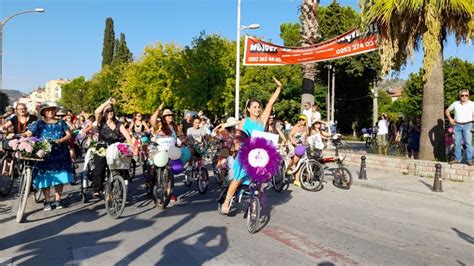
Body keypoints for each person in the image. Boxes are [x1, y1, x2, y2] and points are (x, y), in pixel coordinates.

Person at [220, 77, 282, 215]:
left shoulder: (262, 121)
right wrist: (237, 145)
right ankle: (227, 201)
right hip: (245, 154)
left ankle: (254, 204)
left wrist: (279, 88)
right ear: (248, 109)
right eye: (254, 107)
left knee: (260, 182)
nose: (258, 109)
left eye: (259, 107)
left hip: (259, 155)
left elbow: (270, 103)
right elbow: (238, 136)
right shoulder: (244, 122)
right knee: (239, 178)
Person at [24, 101, 73, 211]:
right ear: (44, 112)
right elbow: (29, 133)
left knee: (60, 176)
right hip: (44, 153)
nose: (50, 111)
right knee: (44, 176)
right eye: (47, 110)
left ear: (55, 111)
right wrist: (19, 135)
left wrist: (60, 140)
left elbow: (69, 134)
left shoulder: (61, 122)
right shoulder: (39, 123)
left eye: (52, 109)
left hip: (60, 152)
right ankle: (47, 200)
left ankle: (58, 199)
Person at [92, 98, 132, 198]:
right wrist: (107, 103)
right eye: (107, 111)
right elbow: (97, 112)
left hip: (115, 148)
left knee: (119, 167)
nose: (110, 112)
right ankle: (97, 189)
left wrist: (131, 147)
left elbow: (127, 136)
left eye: (111, 110)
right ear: (104, 113)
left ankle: (118, 186)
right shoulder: (101, 121)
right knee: (99, 169)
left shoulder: (119, 124)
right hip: (102, 147)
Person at [445, 89, 473, 165]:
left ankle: (470, 160)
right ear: (459, 96)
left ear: (468, 96)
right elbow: (447, 110)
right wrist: (450, 119)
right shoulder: (455, 103)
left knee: (468, 143)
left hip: (468, 125)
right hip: (457, 125)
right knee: (457, 143)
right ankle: (457, 159)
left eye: (466, 95)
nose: (464, 97)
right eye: (462, 95)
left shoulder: (472, 104)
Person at [211, 117, 239, 184]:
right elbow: (217, 137)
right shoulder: (223, 132)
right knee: (224, 163)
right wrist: (216, 136)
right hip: (224, 149)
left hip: (233, 149)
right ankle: (223, 181)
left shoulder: (235, 131)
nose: (234, 126)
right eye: (233, 125)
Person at [285, 114, 310, 186]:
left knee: (299, 162)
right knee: (296, 156)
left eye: (303, 119)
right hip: (292, 143)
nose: (301, 121)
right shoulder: (297, 126)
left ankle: (296, 180)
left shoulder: (306, 128)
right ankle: (288, 168)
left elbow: (306, 136)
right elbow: (290, 135)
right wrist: (293, 142)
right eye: (300, 119)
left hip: (299, 145)